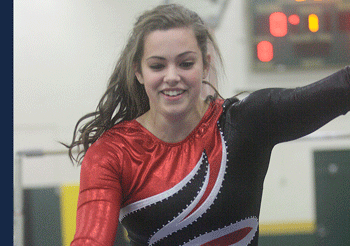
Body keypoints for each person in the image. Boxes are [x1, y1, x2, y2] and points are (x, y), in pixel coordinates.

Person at [64, 4, 350, 246]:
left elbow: (340, 88)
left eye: (186, 63)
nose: (172, 76)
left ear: (205, 64)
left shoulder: (244, 125)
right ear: (138, 71)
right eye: (157, 66)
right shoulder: (113, 153)